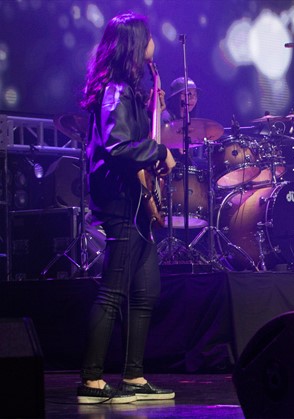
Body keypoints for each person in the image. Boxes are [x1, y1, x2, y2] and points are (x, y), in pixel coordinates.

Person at [78, 12, 176, 403]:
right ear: (135, 43)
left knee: (145, 289)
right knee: (113, 291)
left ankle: (134, 376)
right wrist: (160, 152)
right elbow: (117, 146)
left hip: (134, 200)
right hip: (120, 200)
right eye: (148, 37)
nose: (154, 43)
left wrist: (152, 111)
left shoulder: (128, 89)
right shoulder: (115, 90)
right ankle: (91, 380)